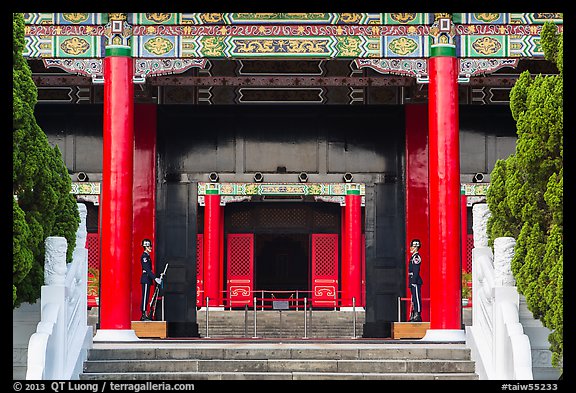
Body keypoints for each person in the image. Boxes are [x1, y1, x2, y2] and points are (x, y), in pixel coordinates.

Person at [140, 238, 161, 321]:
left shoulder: (147, 256)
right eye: (149, 247)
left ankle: (145, 314)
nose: (151, 248)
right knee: (145, 297)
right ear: (145, 247)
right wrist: (155, 278)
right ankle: (143, 314)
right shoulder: (144, 257)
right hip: (145, 278)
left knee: (147, 296)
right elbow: (147, 269)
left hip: (148, 279)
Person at [408, 238, 423, 322]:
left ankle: (418, 314)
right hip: (412, 280)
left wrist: (413, 281)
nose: (411, 248)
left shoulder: (416, 257)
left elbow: (416, 270)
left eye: (412, 246)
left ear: (416, 247)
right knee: (413, 298)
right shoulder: (413, 257)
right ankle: (414, 314)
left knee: (417, 298)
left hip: (415, 281)